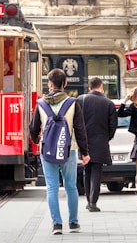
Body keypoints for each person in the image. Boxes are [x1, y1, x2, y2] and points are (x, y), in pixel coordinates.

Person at [30, 68, 90, 235]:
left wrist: (37, 141)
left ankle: (56, 224)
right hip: (68, 150)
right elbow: (80, 129)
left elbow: (33, 128)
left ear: (49, 84)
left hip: (47, 151)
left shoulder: (41, 104)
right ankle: (73, 222)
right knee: (71, 186)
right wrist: (85, 152)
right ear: (65, 84)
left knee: (52, 188)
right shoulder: (73, 103)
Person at [77, 77, 117, 212]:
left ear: (89, 87)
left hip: (84, 142)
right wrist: (106, 137)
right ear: (101, 87)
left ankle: (89, 200)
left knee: (86, 171)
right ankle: (93, 202)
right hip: (100, 142)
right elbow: (113, 126)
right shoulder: (108, 103)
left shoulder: (81, 100)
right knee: (96, 172)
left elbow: (76, 122)